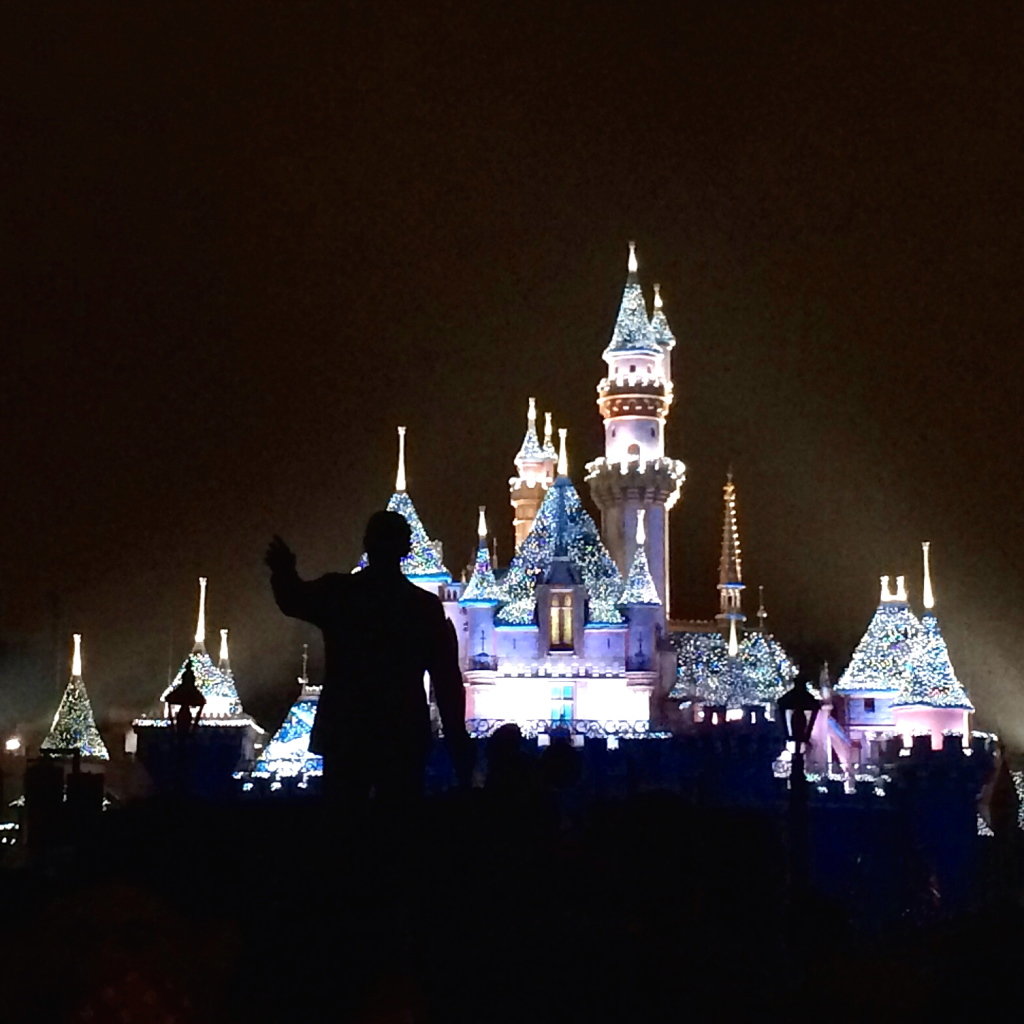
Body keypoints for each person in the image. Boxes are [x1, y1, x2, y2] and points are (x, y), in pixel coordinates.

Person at [265, 511, 472, 804]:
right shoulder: (422, 607)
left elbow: (293, 599)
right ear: (407, 548)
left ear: (366, 543)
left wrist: (283, 571)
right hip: (401, 731)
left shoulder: (341, 593)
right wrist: (457, 740)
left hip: (348, 728)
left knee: (346, 821)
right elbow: (447, 681)